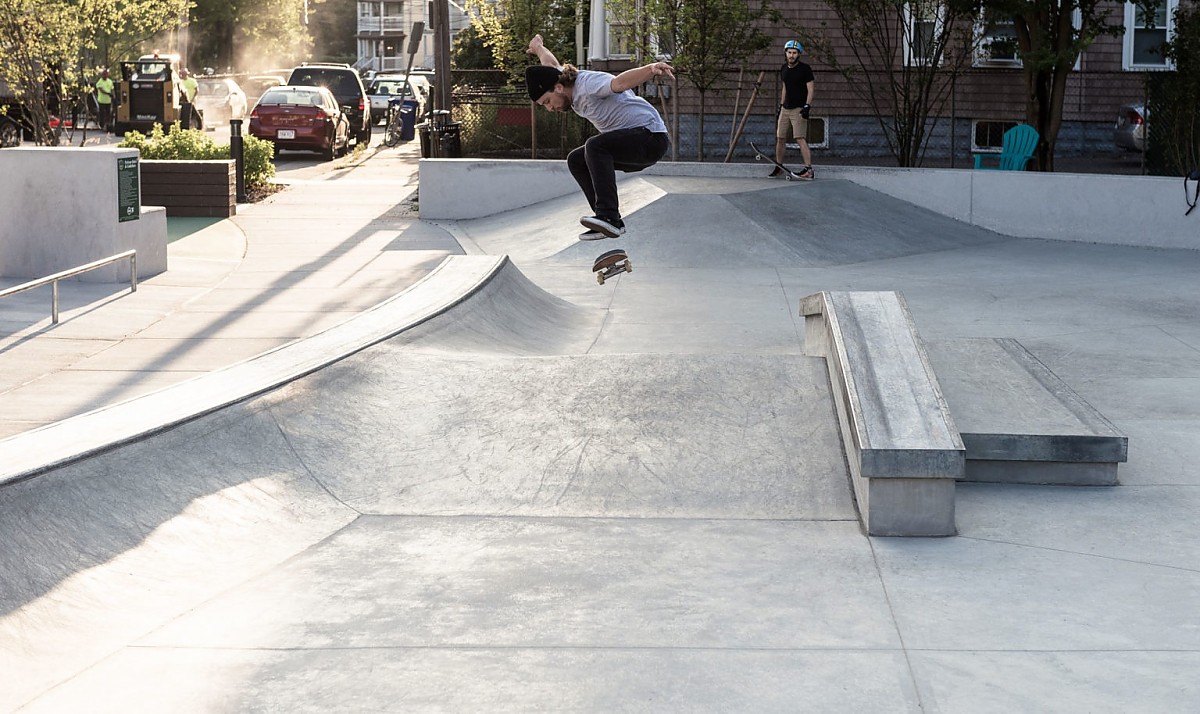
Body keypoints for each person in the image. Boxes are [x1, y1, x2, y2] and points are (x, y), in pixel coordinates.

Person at [526, 34, 673, 239]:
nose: (550, 108)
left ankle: (609, 216)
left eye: (548, 102)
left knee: (594, 146)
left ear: (558, 88)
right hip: (631, 146)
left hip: (650, 138)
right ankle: (606, 221)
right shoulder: (559, 80)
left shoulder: (588, 84)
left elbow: (620, 83)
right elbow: (551, 64)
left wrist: (650, 69)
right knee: (576, 160)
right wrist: (539, 47)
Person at [773, 40, 815, 180]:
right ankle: (779, 167)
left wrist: (807, 106)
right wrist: (780, 105)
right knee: (780, 138)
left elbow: (810, 89)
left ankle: (808, 169)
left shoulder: (805, 69)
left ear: (799, 54)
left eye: (794, 53)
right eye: (789, 52)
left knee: (800, 138)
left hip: (799, 109)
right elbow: (785, 88)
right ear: (785, 53)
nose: (791, 55)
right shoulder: (784, 68)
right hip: (786, 108)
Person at [95, 68, 114, 132]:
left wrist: (113, 95)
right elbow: (101, 90)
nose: (105, 75)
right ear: (102, 75)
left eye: (106, 74)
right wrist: (108, 93)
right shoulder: (100, 82)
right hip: (101, 100)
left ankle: (108, 125)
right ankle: (102, 126)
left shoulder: (110, 81)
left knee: (108, 114)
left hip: (108, 100)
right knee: (102, 114)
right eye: (104, 74)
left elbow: (112, 89)